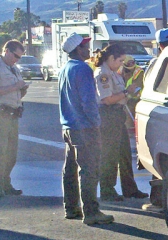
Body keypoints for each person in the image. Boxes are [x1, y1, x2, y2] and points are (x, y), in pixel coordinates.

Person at [58, 32, 114, 225]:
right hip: (84, 127)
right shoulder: (82, 69)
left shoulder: (65, 68)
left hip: (68, 126)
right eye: (85, 46)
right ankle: (91, 212)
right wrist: (96, 123)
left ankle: (71, 208)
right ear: (78, 50)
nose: (88, 49)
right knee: (89, 170)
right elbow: (88, 101)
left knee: (70, 169)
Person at [94, 44, 148, 201]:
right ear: (111, 58)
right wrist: (126, 92)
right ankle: (107, 189)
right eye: (120, 60)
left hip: (118, 116)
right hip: (108, 116)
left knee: (124, 154)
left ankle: (129, 188)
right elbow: (107, 99)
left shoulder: (113, 72)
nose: (121, 64)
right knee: (110, 155)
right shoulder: (103, 74)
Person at [0, 40, 29, 197]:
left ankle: (6, 184)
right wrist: (16, 87)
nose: (17, 59)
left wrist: (21, 90)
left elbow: (15, 93)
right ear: (7, 51)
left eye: (20, 57)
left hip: (12, 114)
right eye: (16, 55)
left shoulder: (13, 68)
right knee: (1, 151)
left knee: (12, 154)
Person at [142, 28, 168, 212]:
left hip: (159, 116)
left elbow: (147, 88)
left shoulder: (157, 64)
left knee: (158, 157)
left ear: (160, 46)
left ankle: (159, 201)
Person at [118, 55, 143, 124]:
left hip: (134, 98)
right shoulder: (120, 70)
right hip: (123, 96)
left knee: (128, 119)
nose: (131, 68)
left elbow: (137, 87)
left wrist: (127, 97)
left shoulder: (139, 72)